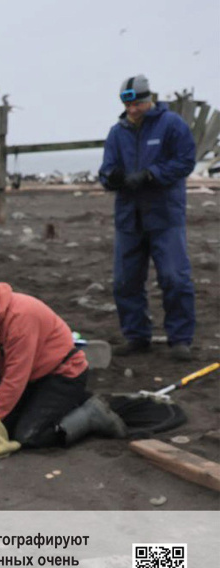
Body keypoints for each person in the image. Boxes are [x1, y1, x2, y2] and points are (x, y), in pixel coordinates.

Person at [0, 269, 126, 448]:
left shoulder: (19, 319)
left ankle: (91, 414)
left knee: (28, 436)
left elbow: (15, 378)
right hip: (35, 377)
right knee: (5, 427)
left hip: (63, 374)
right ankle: (66, 405)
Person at [98, 74, 197, 362]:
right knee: (125, 282)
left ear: (148, 99)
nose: (132, 110)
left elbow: (185, 161)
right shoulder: (117, 132)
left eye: (138, 104)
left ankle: (180, 339)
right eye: (128, 105)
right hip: (129, 218)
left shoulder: (172, 125)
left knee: (174, 278)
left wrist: (152, 175)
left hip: (165, 215)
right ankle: (136, 336)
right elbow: (106, 170)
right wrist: (112, 178)